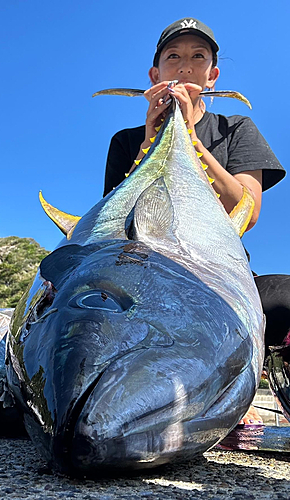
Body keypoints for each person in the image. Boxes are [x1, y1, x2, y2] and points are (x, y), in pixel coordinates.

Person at [103, 18, 287, 426]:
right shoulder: (125, 141)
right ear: (155, 74)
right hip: (144, 277)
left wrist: (188, 136)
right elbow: (116, 223)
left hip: (219, 277)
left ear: (213, 75)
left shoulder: (236, 129)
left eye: (197, 57)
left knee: (287, 298)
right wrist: (152, 138)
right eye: (174, 57)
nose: (185, 67)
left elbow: (246, 213)